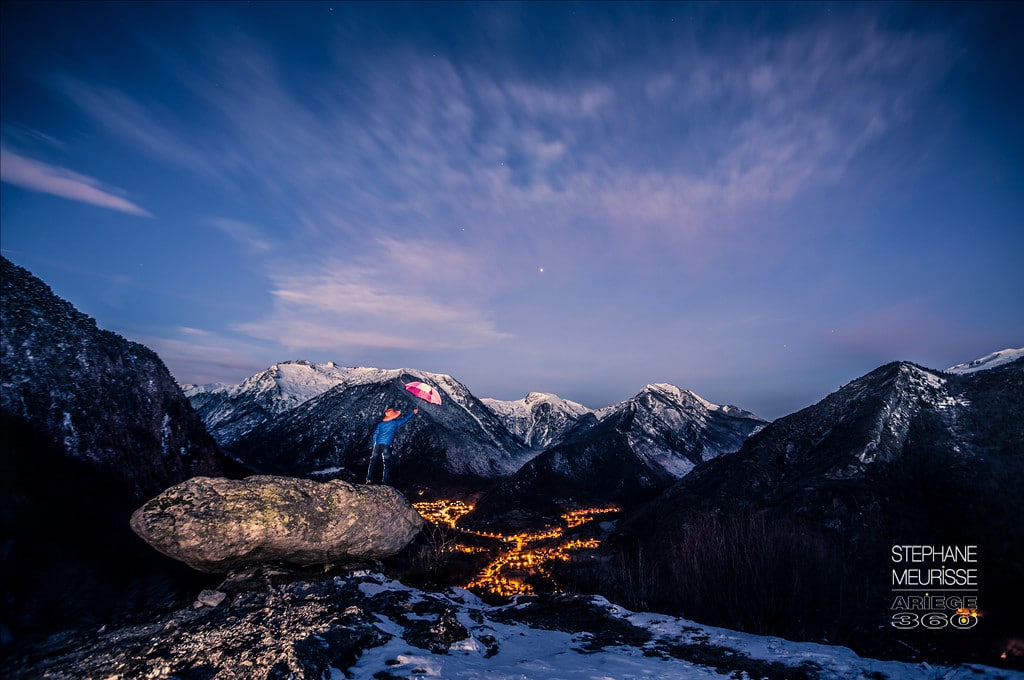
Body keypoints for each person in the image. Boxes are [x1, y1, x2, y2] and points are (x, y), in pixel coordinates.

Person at [365, 406, 418, 485]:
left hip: (378, 445)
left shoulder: (380, 424)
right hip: (387, 445)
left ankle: (368, 479)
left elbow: (375, 434)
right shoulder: (394, 423)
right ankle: (385, 482)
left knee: (372, 462)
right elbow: (405, 420)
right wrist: (413, 413)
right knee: (386, 464)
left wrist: (374, 444)